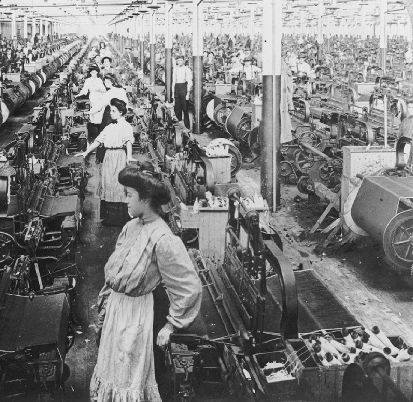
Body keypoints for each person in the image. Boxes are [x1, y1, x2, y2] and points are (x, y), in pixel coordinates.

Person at [89, 164, 202, 401]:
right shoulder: (131, 227)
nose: (125, 200)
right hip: (118, 313)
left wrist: (171, 326)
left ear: (146, 198)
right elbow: (116, 273)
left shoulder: (163, 239)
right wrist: (105, 305)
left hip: (139, 317)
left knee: (131, 376)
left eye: (129, 195)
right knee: (114, 368)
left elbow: (188, 286)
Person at [76, 98, 136, 225]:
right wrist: (86, 152)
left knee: (119, 185)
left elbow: (129, 142)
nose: (111, 113)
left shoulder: (126, 127)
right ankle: (109, 217)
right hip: (108, 156)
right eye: (111, 110)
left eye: (114, 111)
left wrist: (129, 157)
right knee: (107, 184)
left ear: (121, 112)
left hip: (119, 156)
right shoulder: (109, 126)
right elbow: (98, 141)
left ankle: (121, 218)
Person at [75, 65, 106, 143]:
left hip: (100, 97)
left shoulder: (99, 80)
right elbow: (85, 90)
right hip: (93, 97)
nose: (93, 73)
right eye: (92, 72)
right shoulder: (88, 80)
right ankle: (95, 135)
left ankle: (101, 133)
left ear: (97, 72)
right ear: (90, 73)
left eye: (95, 72)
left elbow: (104, 90)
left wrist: (99, 90)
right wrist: (78, 95)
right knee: (94, 116)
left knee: (100, 114)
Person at [172, 54, 192, 130]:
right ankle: (179, 126)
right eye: (178, 60)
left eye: (181, 60)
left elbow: (189, 82)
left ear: (183, 61)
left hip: (184, 88)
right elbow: (173, 81)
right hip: (177, 88)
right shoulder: (175, 69)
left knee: (185, 109)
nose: (179, 62)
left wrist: (187, 93)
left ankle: (187, 127)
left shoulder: (187, 69)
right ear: (177, 61)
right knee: (177, 108)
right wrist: (173, 94)